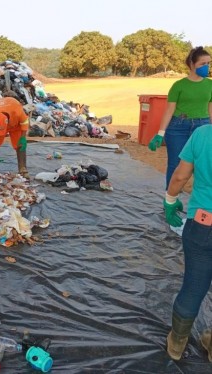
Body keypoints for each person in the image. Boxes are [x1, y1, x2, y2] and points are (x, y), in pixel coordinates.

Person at [163, 124, 212, 362]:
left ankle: (177, 344)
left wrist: (170, 200)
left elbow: (181, 175)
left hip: (203, 225)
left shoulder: (203, 134)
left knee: (193, 287)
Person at [148, 46, 212, 188]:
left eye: (209, 63)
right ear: (191, 64)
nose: (207, 67)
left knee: (202, 165)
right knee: (175, 164)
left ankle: (201, 201)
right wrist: (160, 134)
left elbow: (210, 108)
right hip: (178, 127)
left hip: (203, 127)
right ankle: (170, 201)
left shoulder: (210, 85)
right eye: (203, 63)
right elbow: (169, 110)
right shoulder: (179, 86)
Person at [0, 96, 30, 177]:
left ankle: (23, 169)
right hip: (0, 124)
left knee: (20, 144)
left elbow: (25, 122)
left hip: (16, 126)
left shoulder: (17, 110)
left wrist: (23, 137)